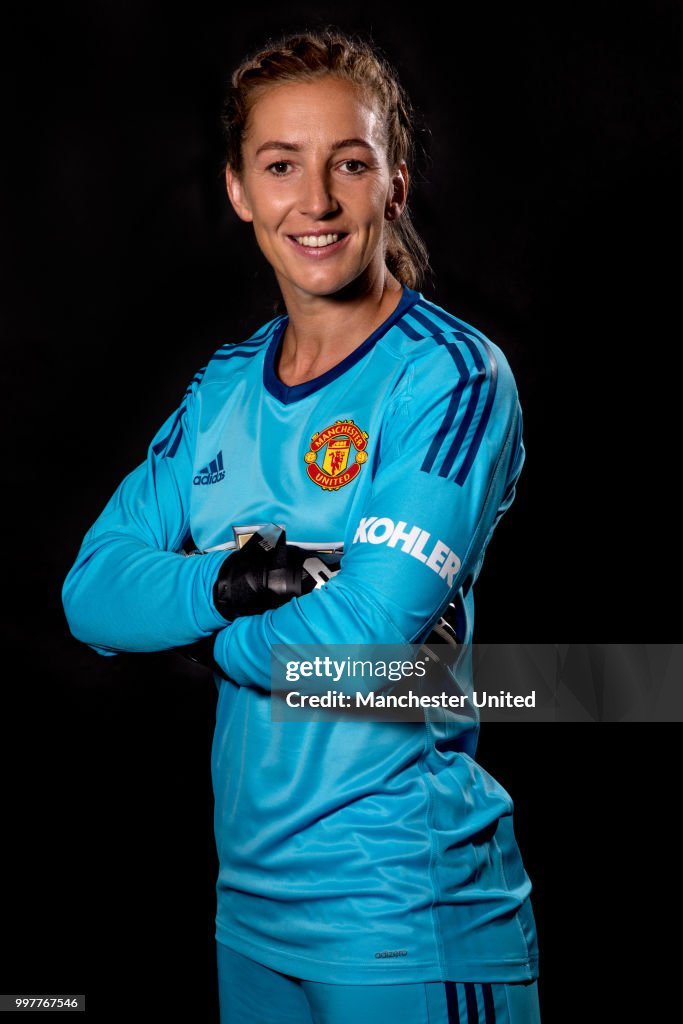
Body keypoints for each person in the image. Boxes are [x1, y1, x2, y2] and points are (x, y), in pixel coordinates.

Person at [62, 27, 540, 1024]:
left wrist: (201, 635)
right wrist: (231, 586)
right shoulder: (222, 390)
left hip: (407, 912)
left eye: (349, 165)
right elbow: (92, 592)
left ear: (394, 186)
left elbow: (362, 644)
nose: (314, 202)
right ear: (239, 189)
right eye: (281, 165)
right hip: (249, 915)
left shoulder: (448, 377)